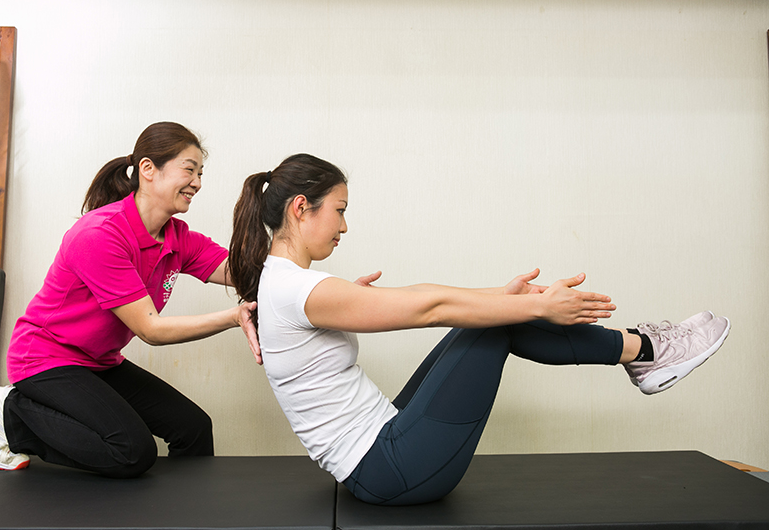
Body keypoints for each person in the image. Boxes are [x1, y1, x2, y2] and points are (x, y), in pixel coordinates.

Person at [227, 153, 731, 506]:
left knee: (491, 319)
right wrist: (528, 307)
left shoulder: (286, 283)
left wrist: (505, 295)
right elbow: (428, 307)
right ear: (301, 207)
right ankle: (645, 352)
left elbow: (422, 299)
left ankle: (643, 353)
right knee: (496, 326)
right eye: (339, 211)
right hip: (390, 468)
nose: (343, 226)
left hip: (383, 454)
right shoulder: (297, 289)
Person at [0, 122, 260, 478]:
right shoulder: (100, 234)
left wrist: (316, 277)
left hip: (98, 360)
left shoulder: (178, 237)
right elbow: (151, 330)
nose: (198, 183)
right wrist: (233, 317)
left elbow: (246, 273)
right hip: (45, 359)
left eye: (200, 173)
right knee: (132, 451)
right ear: (148, 169)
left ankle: (188, 506)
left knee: (193, 428)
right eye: (189, 169)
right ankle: (10, 415)